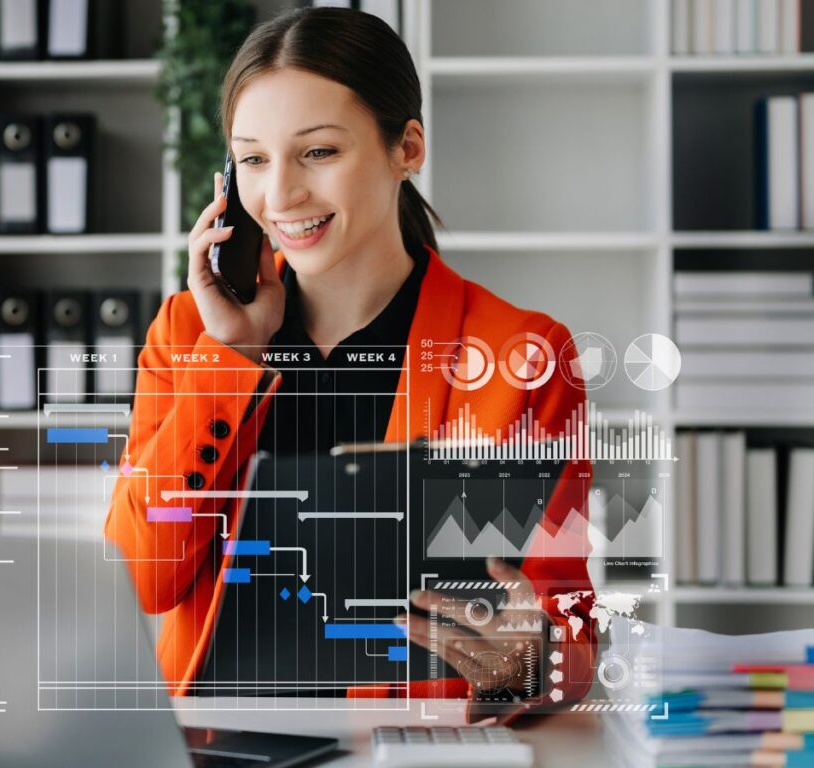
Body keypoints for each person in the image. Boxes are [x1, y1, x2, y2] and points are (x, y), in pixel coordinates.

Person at [104, 6, 596, 718]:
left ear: (408, 148)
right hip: (219, 739)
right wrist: (230, 356)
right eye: (253, 158)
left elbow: (569, 623)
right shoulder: (189, 334)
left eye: (319, 152)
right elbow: (138, 579)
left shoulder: (525, 355)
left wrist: (532, 661)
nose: (280, 195)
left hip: (406, 744)